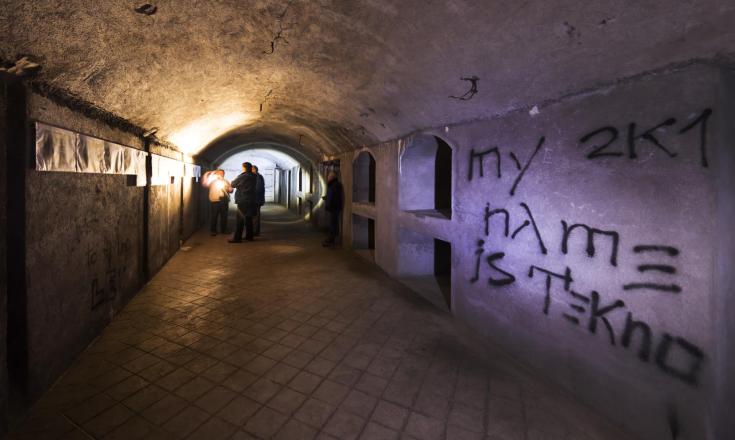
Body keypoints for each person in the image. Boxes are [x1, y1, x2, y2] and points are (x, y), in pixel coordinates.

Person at [229, 162, 257, 243]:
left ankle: (237, 238)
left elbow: (233, 184)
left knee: (240, 220)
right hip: (251, 200)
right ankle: (249, 236)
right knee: (248, 218)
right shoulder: (254, 176)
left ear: (244, 168)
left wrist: (237, 185)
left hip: (243, 200)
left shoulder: (244, 176)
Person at [205, 169, 232, 236]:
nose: (221, 174)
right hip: (215, 200)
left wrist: (229, 189)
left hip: (224, 200)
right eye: (219, 173)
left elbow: (231, 190)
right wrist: (211, 173)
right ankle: (213, 230)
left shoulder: (226, 181)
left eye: (222, 173)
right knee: (214, 216)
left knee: (224, 216)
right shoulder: (212, 181)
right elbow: (206, 184)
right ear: (217, 174)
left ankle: (224, 230)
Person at [322, 171, 343, 247]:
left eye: (329, 177)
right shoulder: (334, 185)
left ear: (332, 177)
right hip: (334, 207)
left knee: (333, 224)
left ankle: (331, 240)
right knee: (333, 223)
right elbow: (331, 196)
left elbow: (334, 198)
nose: (327, 178)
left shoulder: (334, 185)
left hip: (334, 208)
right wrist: (326, 198)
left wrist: (329, 204)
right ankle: (331, 239)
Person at [252, 165, 266, 236]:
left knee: (255, 216)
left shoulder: (258, 177)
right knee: (254, 216)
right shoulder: (256, 177)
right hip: (255, 200)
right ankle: (254, 231)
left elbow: (258, 189)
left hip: (256, 200)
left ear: (254, 170)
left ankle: (255, 231)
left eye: (251, 169)